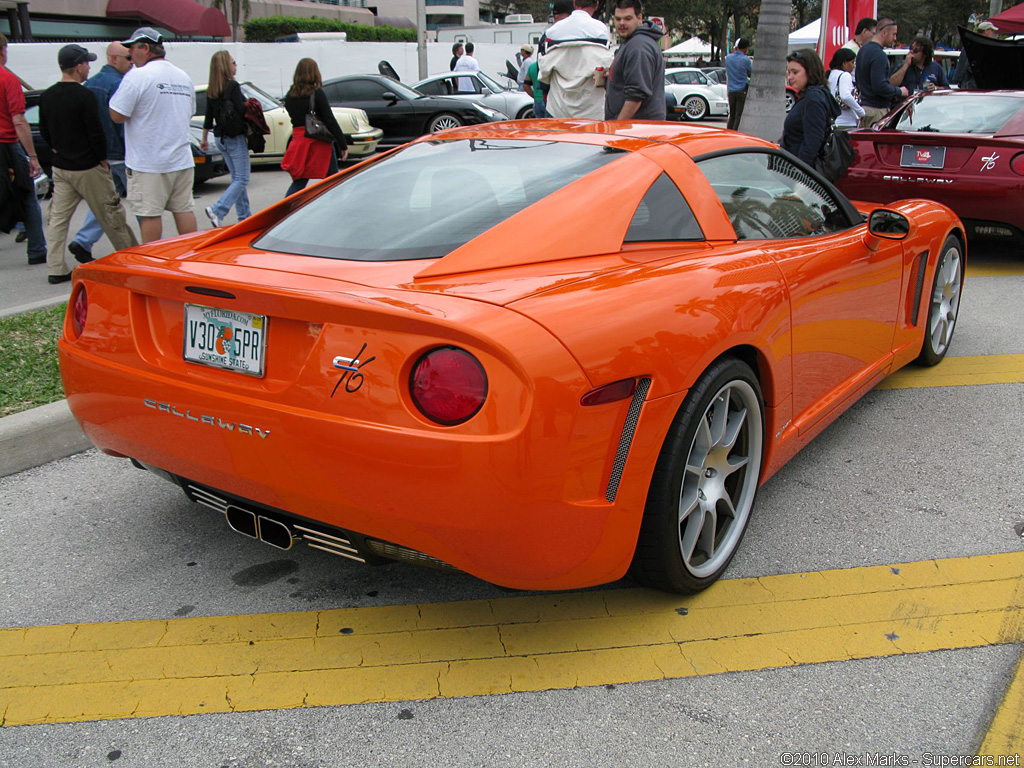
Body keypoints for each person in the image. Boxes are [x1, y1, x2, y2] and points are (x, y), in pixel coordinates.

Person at [39, 45, 137, 284]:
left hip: (61, 167)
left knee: (58, 219)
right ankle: (132, 260)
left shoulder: (47, 95)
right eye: (87, 63)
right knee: (111, 213)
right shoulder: (85, 96)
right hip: (88, 166)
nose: (89, 68)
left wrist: (55, 147)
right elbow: (95, 132)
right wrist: (102, 159)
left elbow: (44, 130)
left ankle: (55, 267)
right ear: (78, 66)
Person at [109, 27, 197, 243]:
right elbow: (190, 111)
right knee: (184, 209)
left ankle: (152, 261)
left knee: (149, 213)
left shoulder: (138, 75)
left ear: (145, 48)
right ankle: (193, 256)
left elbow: (117, 115)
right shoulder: (182, 76)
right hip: (181, 159)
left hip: (149, 162)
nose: (130, 57)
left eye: (132, 51)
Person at [68, 41, 134, 264]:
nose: (132, 62)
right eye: (128, 58)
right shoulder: (118, 84)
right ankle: (151, 248)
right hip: (119, 153)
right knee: (142, 201)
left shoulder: (90, 85)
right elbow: (120, 123)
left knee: (107, 200)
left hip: (101, 154)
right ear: (114, 58)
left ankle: (83, 239)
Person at [0, 32, 46, 265]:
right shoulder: (7, 79)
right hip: (6, 145)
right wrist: (32, 156)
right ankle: (36, 250)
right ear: (3, 51)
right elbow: (19, 120)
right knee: (27, 196)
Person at [280, 57, 348, 197]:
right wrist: (342, 144)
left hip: (299, 141)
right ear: (314, 73)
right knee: (332, 179)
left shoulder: (290, 95)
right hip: (318, 141)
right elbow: (329, 119)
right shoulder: (317, 93)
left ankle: (285, 209)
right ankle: (336, 207)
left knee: (300, 180)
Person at [538, 0, 612, 119]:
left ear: (574, 3)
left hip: (558, 106)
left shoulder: (553, 31)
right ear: (597, 4)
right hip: (592, 109)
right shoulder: (600, 29)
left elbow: (543, 72)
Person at [200, 50, 250, 228]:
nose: (235, 65)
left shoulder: (212, 90)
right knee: (243, 178)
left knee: (237, 178)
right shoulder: (232, 86)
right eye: (233, 62)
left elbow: (208, 116)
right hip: (234, 137)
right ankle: (218, 209)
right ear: (225, 66)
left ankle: (244, 218)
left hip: (220, 138)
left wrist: (204, 138)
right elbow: (242, 111)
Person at [604, 0, 666, 121]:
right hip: (635, 129)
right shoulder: (632, 42)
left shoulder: (638, 46)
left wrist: (617, 128)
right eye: (618, 19)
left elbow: (636, 95)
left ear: (639, 18)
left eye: (628, 19)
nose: (621, 23)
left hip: (637, 131)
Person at [782, 49, 840, 166]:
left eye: (795, 72)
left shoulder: (814, 99)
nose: (790, 77)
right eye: (789, 73)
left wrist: (799, 175)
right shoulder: (809, 96)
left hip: (801, 171)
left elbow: (812, 143)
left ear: (810, 71)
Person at [854, 18, 909, 129]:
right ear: (884, 32)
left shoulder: (862, 51)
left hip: (864, 109)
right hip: (877, 111)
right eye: (893, 34)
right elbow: (880, 86)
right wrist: (900, 91)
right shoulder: (879, 55)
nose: (895, 38)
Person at [951, 21, 999, 89]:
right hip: (972, 85)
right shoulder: (976, 45)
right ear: (986, 31)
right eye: (992, 30)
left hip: (968, 84)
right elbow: (970, 66)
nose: (993, 33)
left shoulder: (971, 44)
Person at [827, 48, 865, 129]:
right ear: (844, 63)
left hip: (834, 121)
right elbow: (845, 96)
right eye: (852, 62)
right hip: (847, 122)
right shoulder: (845, 75)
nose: (854, 65)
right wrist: (861, 112)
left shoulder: (830, 74)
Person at [724, 37, 752, 131]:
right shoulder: (746, 60)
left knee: (732, 114)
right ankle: (735, 133)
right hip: (741, 90)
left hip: (731, 90)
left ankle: (729, 131)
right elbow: (751, 72)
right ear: (746, 48)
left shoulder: (728, 58)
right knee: (738, 115)